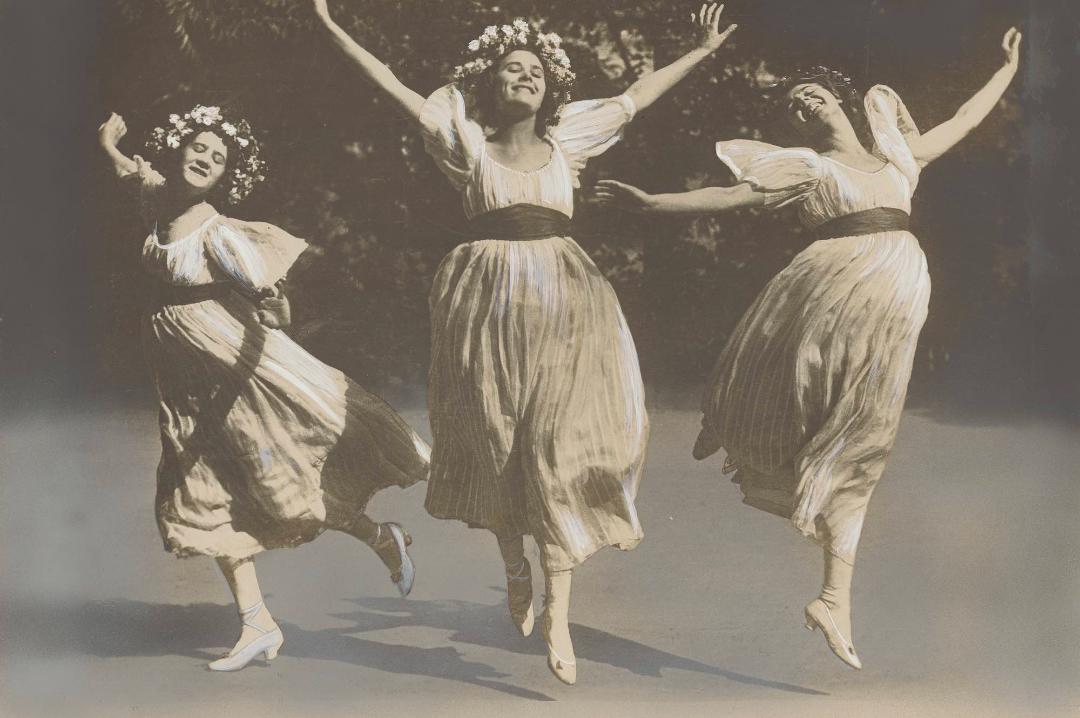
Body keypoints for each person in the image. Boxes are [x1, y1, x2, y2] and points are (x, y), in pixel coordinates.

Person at [311, 0, 736, 684]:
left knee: (557, 452)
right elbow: (390, 85)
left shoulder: (570, 142)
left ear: (551, 86)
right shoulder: (466, 144)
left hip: (567, 300)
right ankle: (514, 562)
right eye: (512, 68)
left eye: (536, 69)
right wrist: (334, 29)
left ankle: (559, 614)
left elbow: (636, 96)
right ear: (490, 82)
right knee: (496, 444)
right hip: (484, 304)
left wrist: (701, 52)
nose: (525, 75)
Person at [595, 27, 1022, 669]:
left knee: (868, 437)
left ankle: (833, 598)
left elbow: (964, 118)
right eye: (793, 104)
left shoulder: (899, 158)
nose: (803, 102)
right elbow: (732, 196)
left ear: (839, 97)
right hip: (830, 292)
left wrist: (1007, 70)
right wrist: (654, 203)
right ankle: (758, 438)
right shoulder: (808, 168)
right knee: (821, 413)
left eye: (812, 92)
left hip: (896, 299)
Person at [97, 104, 431, 671]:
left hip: (235, 371)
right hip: (184, 380)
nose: (206, 159)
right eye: (199, 148)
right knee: (207, 489)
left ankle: (379, 537)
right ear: (178, 151)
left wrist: (279, 311)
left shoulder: (218, 232)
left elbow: (268, 292)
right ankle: (258, 622)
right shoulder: (159, 199)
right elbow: (134, 172)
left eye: (218, 157)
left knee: (280, 483)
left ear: (225, 175)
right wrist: (108, 143)